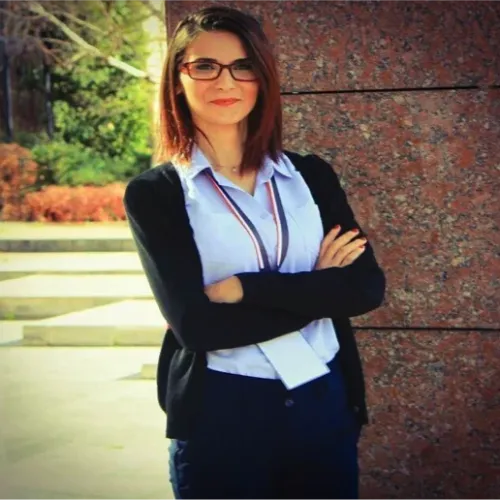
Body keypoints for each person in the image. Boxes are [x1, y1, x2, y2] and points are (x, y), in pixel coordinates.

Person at [123, 6, 386, 500]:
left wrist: (246, 289)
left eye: (243, 66)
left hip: (323, 402)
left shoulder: (310, 176)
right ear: (177, 78)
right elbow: (198, 327)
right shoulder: (156, 194)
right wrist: (320, 288)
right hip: (223, 413)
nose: (226, 81)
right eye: (205, 66)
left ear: (262, 77)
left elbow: (366, 288)